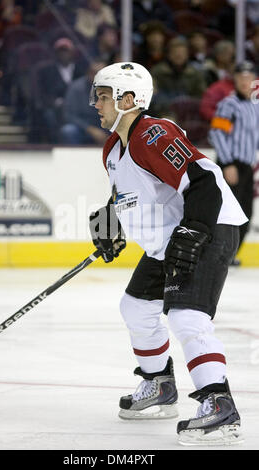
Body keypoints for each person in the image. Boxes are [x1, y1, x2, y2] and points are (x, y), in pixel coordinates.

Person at [88, 62, 246, 446]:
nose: (96, 104)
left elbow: (205, 182)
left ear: (129, 99)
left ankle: (218, 403)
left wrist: (195, 232)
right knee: (135, 308)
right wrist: (111, 224)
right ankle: (159, 384)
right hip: (172, 238)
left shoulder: (154, 133)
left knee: (187, 316)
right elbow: (130, 195)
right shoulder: (113, 148)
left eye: (104, 96)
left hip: (208, 226)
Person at [209, 61, 259, 263]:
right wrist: (227, 163)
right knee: (227, 211)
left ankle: (230, 254)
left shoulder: (255, 105)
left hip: (247, 166)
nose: (245, 82)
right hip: (231, 164)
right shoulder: (229, 104)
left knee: (245, 212)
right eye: (241, 77)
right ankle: (218, 252)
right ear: (235, 80)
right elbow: (217, 133)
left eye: (248, 77)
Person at [59, 60, 109, 145]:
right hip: (83, 128)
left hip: (106, 127)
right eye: (95, 73)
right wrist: (90, 129)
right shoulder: (76, 88)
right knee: (68, 131)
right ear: (89, 73)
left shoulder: (113, 89)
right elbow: (69, 115)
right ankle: (75, 157)